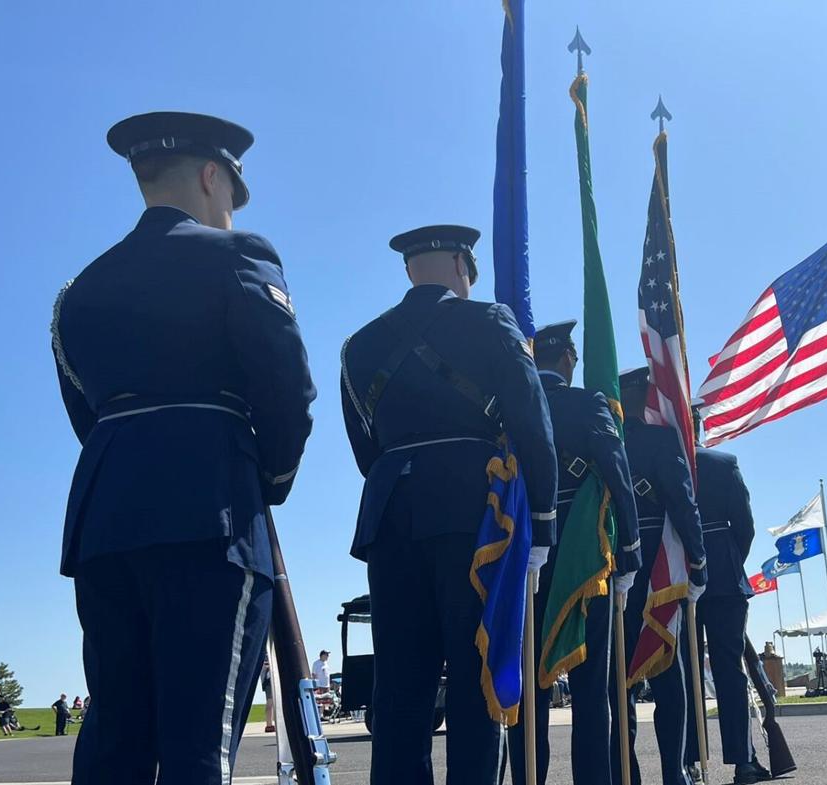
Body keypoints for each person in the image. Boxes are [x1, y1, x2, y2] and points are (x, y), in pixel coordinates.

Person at [51, 111, 316, 784]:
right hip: (211, 512)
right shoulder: (238, 256)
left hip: (104, 519)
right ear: (210, 176)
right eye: (231, 190)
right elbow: (287, 390)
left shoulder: (80, 291)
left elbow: (87, 411)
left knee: (115, 742)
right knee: (200, 741)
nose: (230, 207)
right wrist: (271, 478)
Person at [339, 224, 558, 785]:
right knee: (474, 676)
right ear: (463, 265)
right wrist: (541, 527)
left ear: (409, 270)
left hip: (390, 514)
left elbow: (367, 449)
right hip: (473, 512)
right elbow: (533, 426)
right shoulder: (490, 321)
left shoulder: (359, 345)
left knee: (400, 686)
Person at [508, 319, 642, 785]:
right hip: (586, 558)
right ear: (568, 358)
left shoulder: (511, 406)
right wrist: (629, 552)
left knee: (528, 688)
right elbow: (617, 474)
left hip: (521, 554)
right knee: (591, 693)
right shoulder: (589, 403)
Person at [609, 367, 707, 785]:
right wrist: (699, 564)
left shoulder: (609, 438)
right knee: (670, 673)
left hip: (615, 564)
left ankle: (624, 773)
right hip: (660, 568)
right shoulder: (664, 440)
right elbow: (685, 506)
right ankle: (675, 773)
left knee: (620, 681)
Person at [683, 405, 768, 785]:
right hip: (723, 578)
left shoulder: (661, 460)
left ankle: (687, 760)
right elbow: (745, 527)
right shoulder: (723, 462)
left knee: (683, 674)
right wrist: (728, 561)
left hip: (678, 578)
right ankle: (743, 761)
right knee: (729, 670)